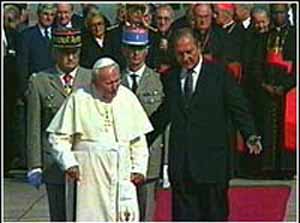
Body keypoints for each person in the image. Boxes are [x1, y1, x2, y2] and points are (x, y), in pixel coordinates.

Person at [149, 28, 263, 221]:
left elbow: (238, 107)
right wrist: (141, 138)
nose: (186, 58)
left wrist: (250, 134)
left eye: (189, 51)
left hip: (213, 164)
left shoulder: (220, 74)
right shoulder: (170, 78)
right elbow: (163, 115)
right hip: (182, 165)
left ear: (199, 47)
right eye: (180, 54)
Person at [46, 57, 153, 221]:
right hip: (90, 178)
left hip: (122, 174)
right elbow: (58, 137)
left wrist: (139, 168)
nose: (115, 87)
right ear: (95, 82)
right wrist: (69, 163)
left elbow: (138, 141)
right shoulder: (79, 98)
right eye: (109, 83)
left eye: (117, 81)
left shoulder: (127, 97)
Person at [26, 27, 91, 221]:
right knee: (59, 215)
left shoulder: (90, 79)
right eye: (65, 53)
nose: (70, 57)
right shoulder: (40, 81)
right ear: (54, 52)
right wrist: (34, 164)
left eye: (75, 52)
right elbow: (34, 126)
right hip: (54, 163)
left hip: (85, 160)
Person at [121, 27, 165, 221]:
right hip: (121, 158)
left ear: (147, 50)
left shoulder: (158, 81)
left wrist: (165, 163)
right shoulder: (115, 80)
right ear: (123, 50)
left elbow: (165, 126)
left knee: (146, 213)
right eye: (131, 48)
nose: (135, 53)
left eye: (139, 48)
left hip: (150, 158)